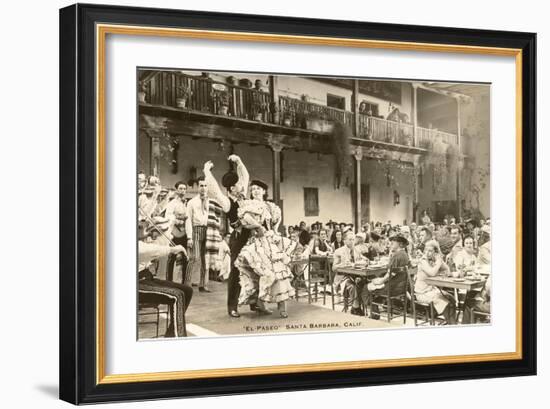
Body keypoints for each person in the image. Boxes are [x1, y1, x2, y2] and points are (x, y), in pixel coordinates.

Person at [235, 179, 296, 318]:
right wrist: (258, 226)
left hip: (271, 241)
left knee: (279, 272)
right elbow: (246, 221)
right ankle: (261, 303)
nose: (255, 191)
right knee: (262, 273)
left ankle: (282, 306)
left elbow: (275, 224)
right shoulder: (248, 205)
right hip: (257, 242)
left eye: (258, 189)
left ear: (264, 191)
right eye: (253, 189)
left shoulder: (271, 206)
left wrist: (274, 232)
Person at [138, 223, 193, 338]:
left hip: (146, 277)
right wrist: (172, 249)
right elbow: (143, 250)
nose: (141, 226)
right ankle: (179, 338)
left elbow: (149, 250)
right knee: (177, 295)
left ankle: (172, 334)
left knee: (187, 291)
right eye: (139, 225)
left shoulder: (141, 240)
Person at [185, 175, 220, 292]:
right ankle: (187, 284)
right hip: (196, 230)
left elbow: (217, 218)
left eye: (205, 185)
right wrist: (189, 237)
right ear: (197, 187)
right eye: (201, 185)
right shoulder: (191, 202)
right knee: (194, 258)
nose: (203, 188)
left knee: (206, 259)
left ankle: (203, 285)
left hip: (209, 231)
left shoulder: (211, 202)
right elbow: (188, 219)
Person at [364, 234, 410, 320]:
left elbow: (389, 275)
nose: (390, 244)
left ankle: (373, 313)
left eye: (393, 243)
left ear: (400, 244)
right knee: (375, 282)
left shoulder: (397, 256)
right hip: (401, 288)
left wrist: (380, 281)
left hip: (391, 288)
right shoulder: (404, 254)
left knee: (366, 287)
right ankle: (376, 307)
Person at [414, 240, 457, 325]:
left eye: (430, 251)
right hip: (422, 293)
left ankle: (451, 322)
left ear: (435, 252)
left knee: (451, 298)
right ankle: (452, 324)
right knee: (444, 302)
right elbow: (432, 273)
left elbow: (447, 270)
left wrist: (439, 259)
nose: (427, 253)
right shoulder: (423, 261)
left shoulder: (434, 260)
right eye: (426, 250)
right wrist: (438, 263)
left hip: (432, 290)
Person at [332, 231, 368, 315]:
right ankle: (356, 307)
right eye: (350, 239)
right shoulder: (338, 251)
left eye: (353, 239)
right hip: (342, 278)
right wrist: (343, 264)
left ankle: (362, 305)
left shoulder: (356, 250)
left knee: (364, 283)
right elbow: (334, 268)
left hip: (355, 275)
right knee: (352, 286)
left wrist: (365, 260)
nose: (352, 241)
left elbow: (362, 259)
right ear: (344, 241)